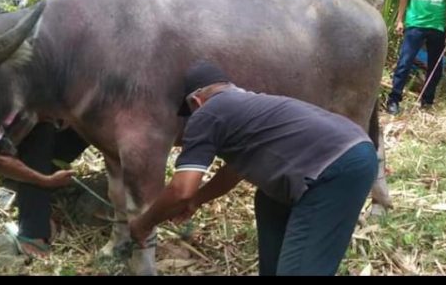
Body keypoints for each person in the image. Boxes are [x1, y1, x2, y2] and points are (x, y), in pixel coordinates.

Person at [129, 62, 377, 276]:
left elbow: (181, 188)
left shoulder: (208, 113)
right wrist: (198, 200)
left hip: (337, 168)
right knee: (268, 199)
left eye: (190, 113)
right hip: (348, 151)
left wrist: (144, 223)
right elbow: (233, 173)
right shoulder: (247, 105)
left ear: (196, 100)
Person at [0, 121, 89, 258]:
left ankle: (35, 172)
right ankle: (33, 229)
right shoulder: (16, 109)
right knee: (41, 128)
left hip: (51, 135)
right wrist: (45, 181)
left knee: (91, 119)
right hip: (9, 151)